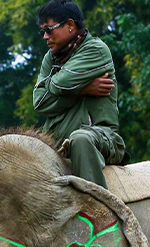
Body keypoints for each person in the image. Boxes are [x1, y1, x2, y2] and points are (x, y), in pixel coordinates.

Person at [32, 0, 125, 189]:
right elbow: (39, 101)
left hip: (99, 137)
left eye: (49, 29)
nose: (45, 36)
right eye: (42, 31)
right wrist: (83, 89)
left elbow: (59, 83)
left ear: (70, 25)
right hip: (55, 141)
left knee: (80, 139)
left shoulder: (95, 50)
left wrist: (62, 87)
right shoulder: (51, 57)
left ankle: (100, 212)